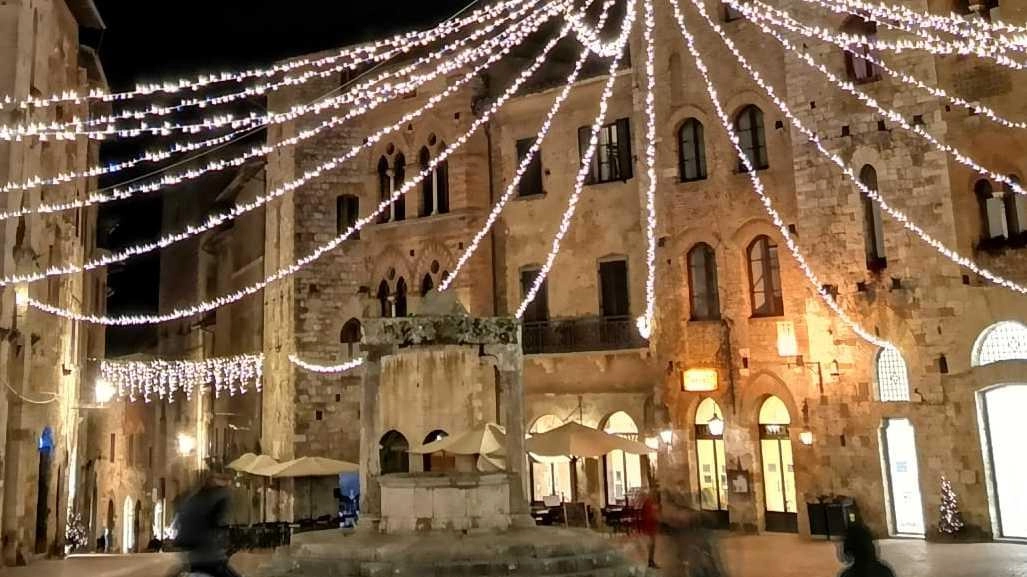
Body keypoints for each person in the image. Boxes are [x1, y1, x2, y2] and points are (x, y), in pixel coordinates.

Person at [175, 471, 240, 577]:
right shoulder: (218, 498)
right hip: (211, 557)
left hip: (193, 557)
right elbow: (219, 522)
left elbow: (182, 520)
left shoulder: (194, 499)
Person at [638, 488, 661, 569]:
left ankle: (651, 561)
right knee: (651, 545)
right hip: (649, 527)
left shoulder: (648, 502)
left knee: (651, 545)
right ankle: (650, 561)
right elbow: (649, 516)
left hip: (650, 527)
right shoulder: (648, 503)